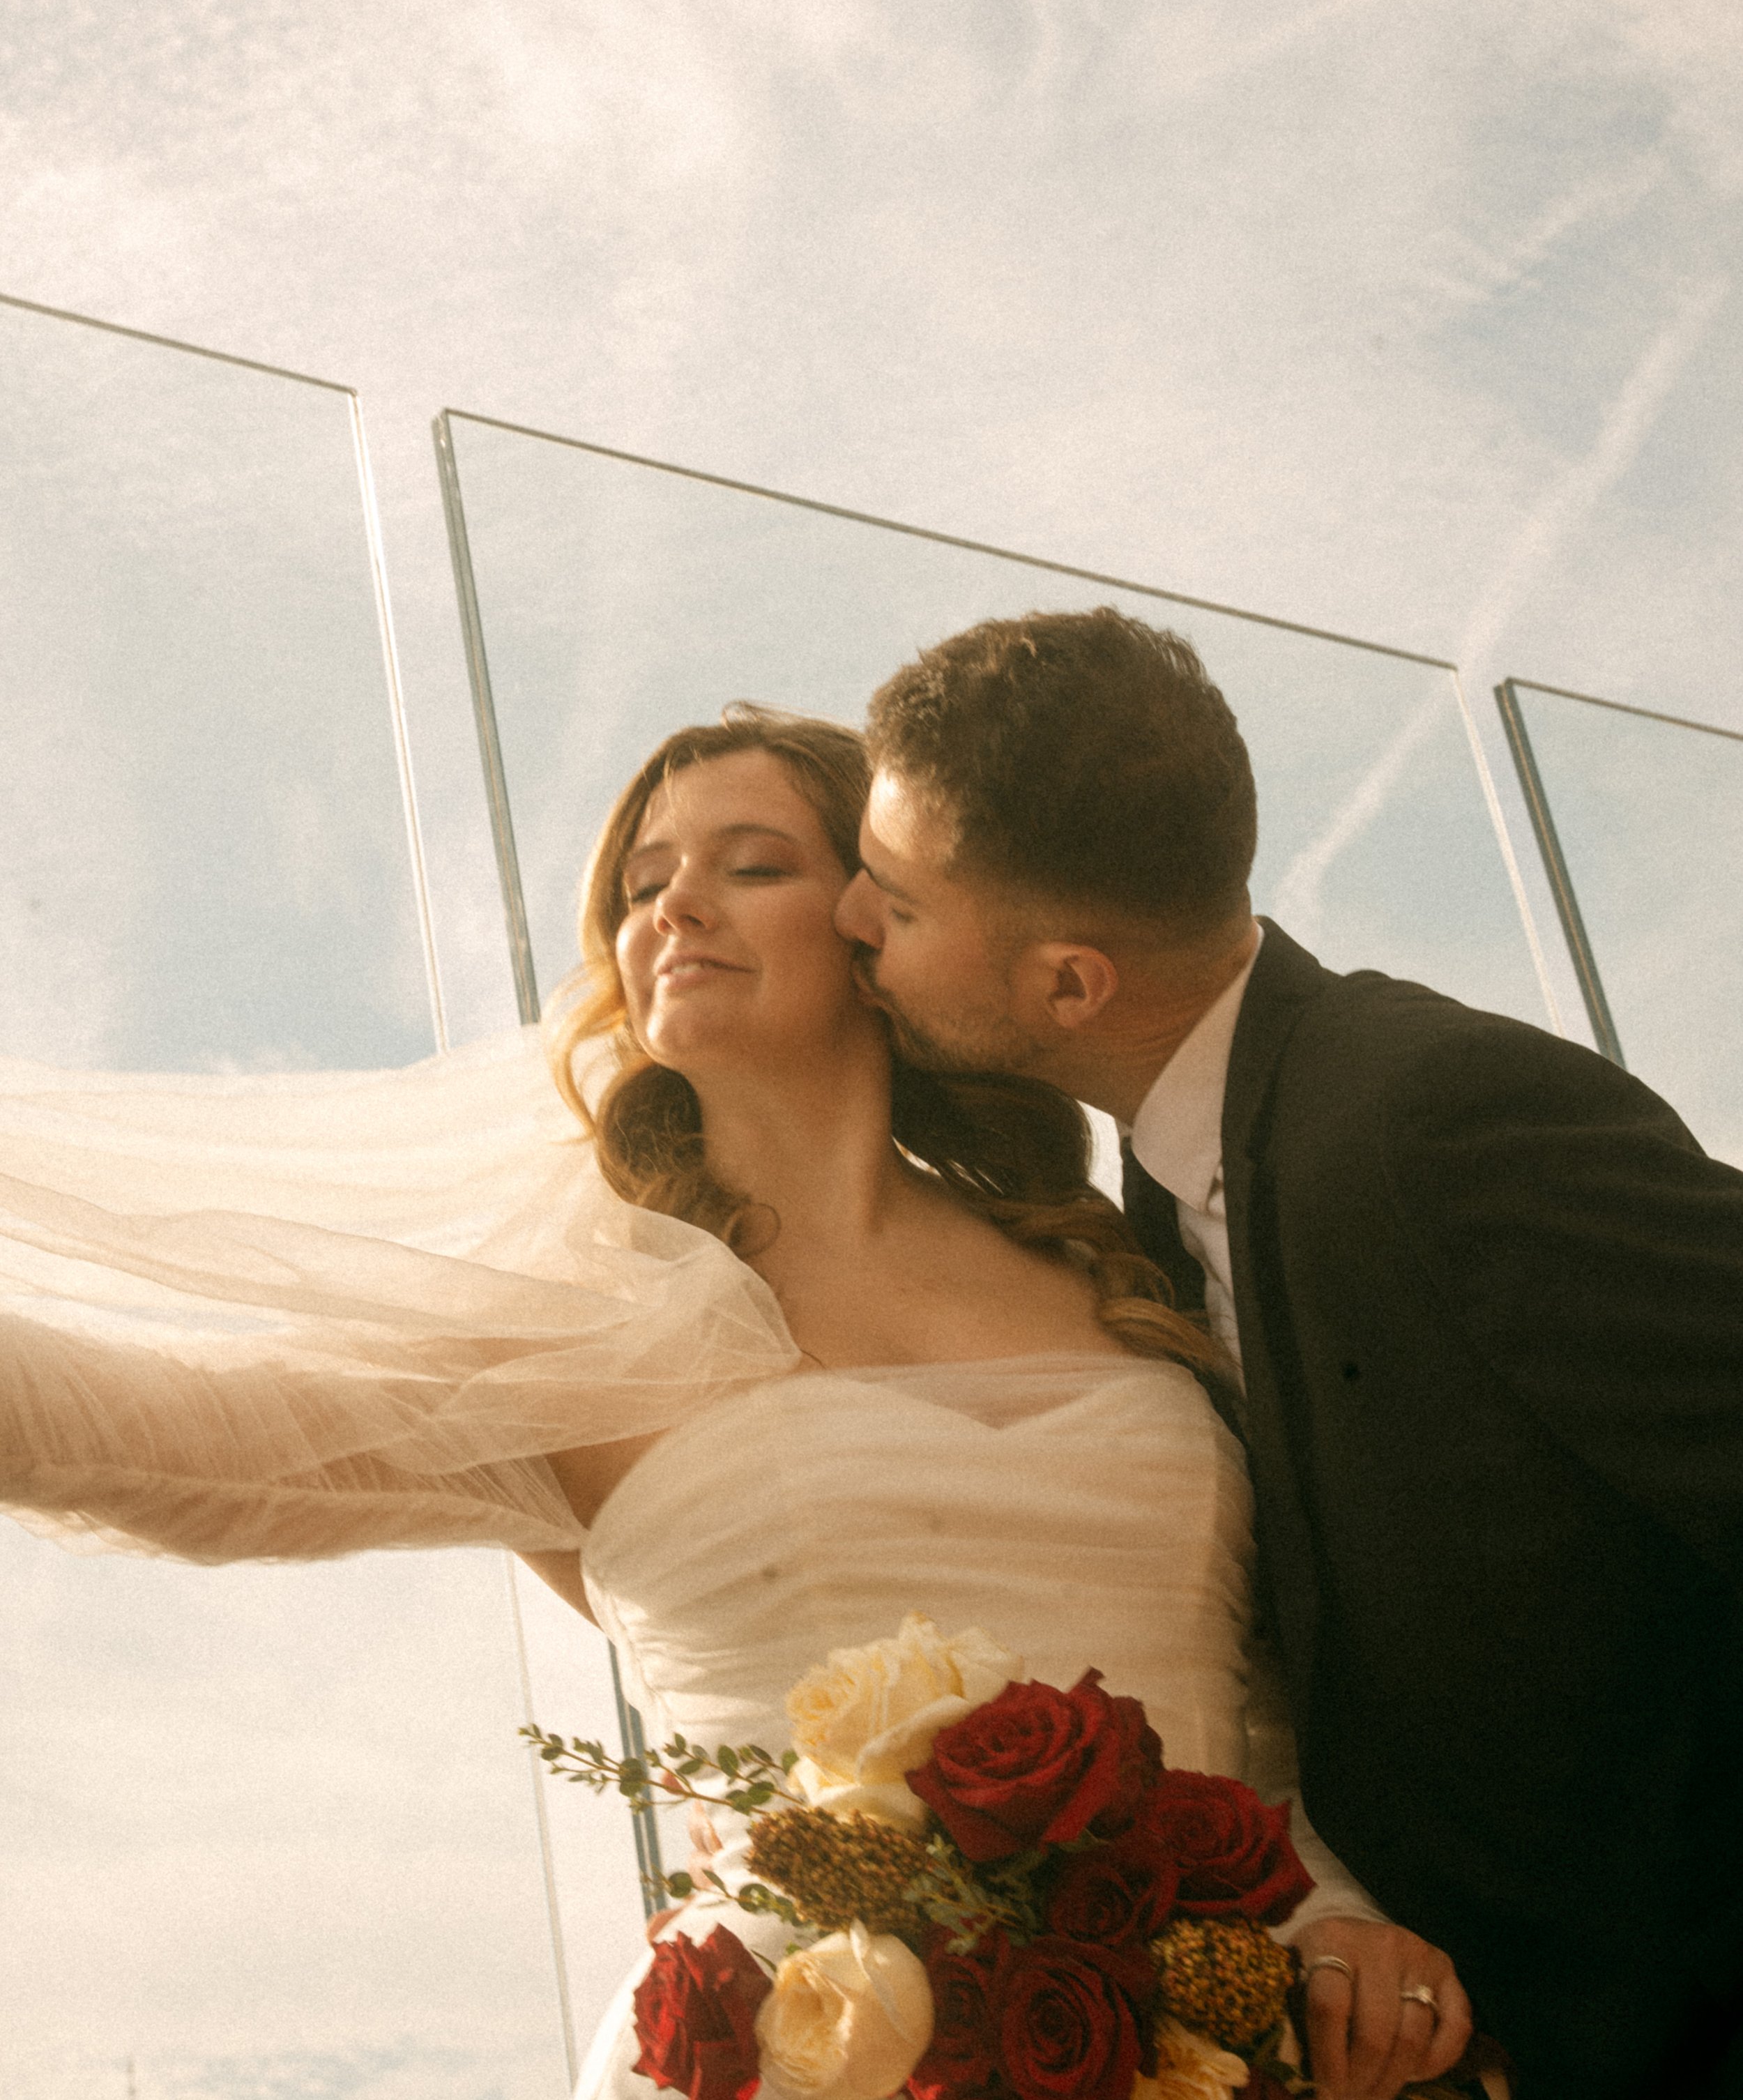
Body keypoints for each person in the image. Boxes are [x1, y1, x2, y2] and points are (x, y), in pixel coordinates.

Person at [0, 709, 1472, 2100]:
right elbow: (155, 1440)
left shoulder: (1122, 1280)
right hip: (799, 2052)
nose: (676, 906)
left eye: (750, 865)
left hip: (1210, 2047)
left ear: (874, 927)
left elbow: (1268, 1702)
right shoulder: (579, 1330)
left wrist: (1340, 1925)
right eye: (645, 884)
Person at [834, 610, 1743, 2100]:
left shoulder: (1431, 1117)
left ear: (1072, 984)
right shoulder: (1138, 1215)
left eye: (904, 902)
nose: (856, 922)